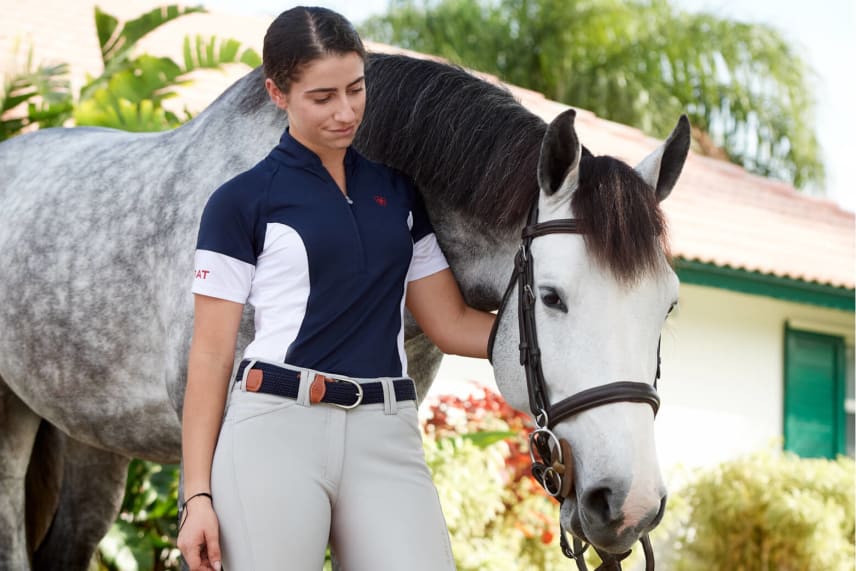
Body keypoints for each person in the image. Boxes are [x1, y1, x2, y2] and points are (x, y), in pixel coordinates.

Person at [176, 6, 495, 570]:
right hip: (275, 431)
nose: (345, 112)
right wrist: (196, 496)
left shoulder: (398, 195)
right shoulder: (240, 202)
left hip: (386, 433)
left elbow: (450, 324)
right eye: (322, 98)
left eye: (356, 88)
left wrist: (564, 330)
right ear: (278, 93)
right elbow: (210, 354)